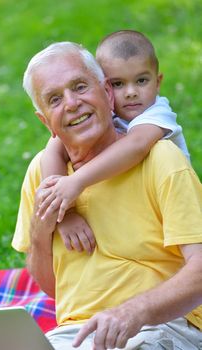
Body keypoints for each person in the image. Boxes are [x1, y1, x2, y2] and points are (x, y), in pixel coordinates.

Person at [12, 41, 202, 349]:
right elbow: (54, 288)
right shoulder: (42, 174)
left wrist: (133, 313)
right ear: (45, 121)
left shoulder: (159, 157)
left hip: (160, 326)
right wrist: (43, 228)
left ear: (106, 92)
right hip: (76, 335)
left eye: (80, 86)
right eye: (55, 99)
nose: (72, 103)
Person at [36, 30, 190, 248]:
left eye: (141, 80)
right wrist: (64, 210)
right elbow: (54, 148)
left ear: (158, 82)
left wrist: (76, 182)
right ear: (105, 87)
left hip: (173, 207)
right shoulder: (106, 111)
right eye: (118, 84)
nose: (130, 92)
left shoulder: (156, 113)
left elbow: (135, 146)